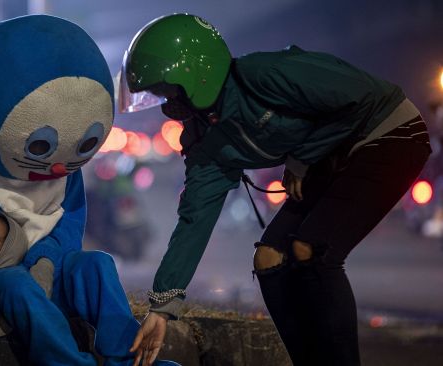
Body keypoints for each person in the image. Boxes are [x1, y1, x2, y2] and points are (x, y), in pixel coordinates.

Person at [120, 13, 432, 366]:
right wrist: (162, 308)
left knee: (311, 250)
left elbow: (356, 99)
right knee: (269, 259)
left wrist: (301, 159)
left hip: (390, 133)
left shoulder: (264, 73)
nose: (165, 105)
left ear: (194, 73)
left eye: (164, 90)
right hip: (332, 157)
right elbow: (194, 221)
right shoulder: (207, 139)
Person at [0, 14, 178, 366]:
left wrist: (47, 263)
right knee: (17, 284)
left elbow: (70, 228)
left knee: (97, 264)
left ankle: (126, 357)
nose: (55, 166)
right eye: (40, 147)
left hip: (49, 274)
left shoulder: (69, 171)